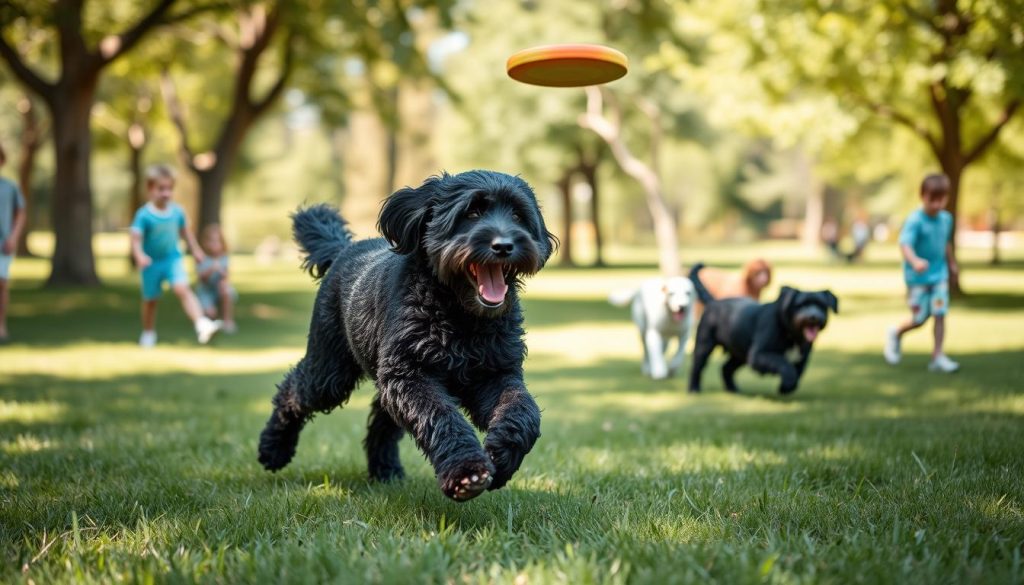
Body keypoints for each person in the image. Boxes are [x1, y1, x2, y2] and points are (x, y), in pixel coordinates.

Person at [130, 164, 221, 347]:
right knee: (150, 301)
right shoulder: (144, 215)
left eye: (169, 189)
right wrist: (139, 255)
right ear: (150, 188)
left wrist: (195, 250)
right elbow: (136, 239)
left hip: (172, 259)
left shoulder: (177, 212)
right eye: (161, 189)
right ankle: (148, 333)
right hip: (151, 263)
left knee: (183, 289)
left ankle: (201, 324)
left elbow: (186, 233)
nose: (166, 193)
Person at [884, 173, 959, 372]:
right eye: (931, 199)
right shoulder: (915, 220)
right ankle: (896, 333)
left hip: (939, 276)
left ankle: (937, 356)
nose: (936, 204)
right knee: (919, 319)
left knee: (940, 313)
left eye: (940, 199)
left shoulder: (946, 219)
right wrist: (915, 261)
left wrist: (952, 264)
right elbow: (905, 244)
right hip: (917, 278)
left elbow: (945, 243)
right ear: (922, 196)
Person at [0, 144, 27, 343]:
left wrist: (14, 237)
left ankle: (1, 325)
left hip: (4, 244)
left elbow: (20, 213)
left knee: (2, 284)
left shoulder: (10, 187)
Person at [196, 224, 237, 334]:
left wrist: (221, 273)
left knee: (226, 289)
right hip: (206, 291)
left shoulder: (224, 258)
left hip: (218, 290)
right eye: (212, 242)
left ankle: (228, 321)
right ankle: (209, 320)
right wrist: (211, 270)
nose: (214, 245)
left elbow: (226, 277)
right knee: (210, 314)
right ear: (206, 243)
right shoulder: (202, 258)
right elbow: (202, 279)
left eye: (217, 242)